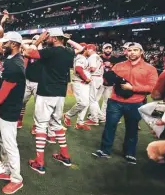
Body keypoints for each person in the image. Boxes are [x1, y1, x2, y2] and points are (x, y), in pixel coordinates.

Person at [22, 29, 84, 174]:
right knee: (56, 124)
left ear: (55, 39)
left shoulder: (50, 51)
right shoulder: (69, 52)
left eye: (49, 37)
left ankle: (39, 162)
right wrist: (66, 39)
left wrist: (39, 40)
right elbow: (80, 49)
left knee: (41, 125)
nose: (47, 39)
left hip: (46, 92)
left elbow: (28, 53)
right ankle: (65, 155)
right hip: (60, 94)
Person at [92, 43, 158, 164]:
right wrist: (108, 77)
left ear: (141, 52)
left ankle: (129, 153)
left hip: (135, 103)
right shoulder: (118, 66)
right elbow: (108, 79)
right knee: (109, 127)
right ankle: (104, 150)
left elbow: (152, 88)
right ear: (126, 52)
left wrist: (132, 88)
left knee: (132, 129)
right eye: (130, 50)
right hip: (115, 101)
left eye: (135, 50)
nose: (132, 52)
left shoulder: (150, 69)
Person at [0, 31, 26, 194]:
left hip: (9, 109)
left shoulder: (15, 65)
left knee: (10, 144)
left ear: (15, 45)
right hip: (3, 108)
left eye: (6, 43)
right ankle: (7, 170)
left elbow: (4, 92)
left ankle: (17, 179)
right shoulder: (8, 59)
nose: (2, 45)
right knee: (2, 141)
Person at [63, 44, 92, 130]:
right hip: (79, 83)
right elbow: (78, 69)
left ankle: (80, 123)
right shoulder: (80, 57)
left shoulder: (83, 58)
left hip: (83, 83)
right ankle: (68, 115)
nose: (90, 51)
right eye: (88, 49)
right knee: (83, 103)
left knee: (86, 103)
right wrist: (86, 78)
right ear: (85, 49)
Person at [98, 43, 120, 122]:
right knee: (95, 100)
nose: (108, 50)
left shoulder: (115, 59)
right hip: (99, 83)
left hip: (110, 84)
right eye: (106, 48)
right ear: (103, 49)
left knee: (106, 101)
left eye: (109, 48)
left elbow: (116, 71)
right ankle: (94, 114)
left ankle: (103, 116)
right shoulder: (98, 58)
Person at [84, 44, 104, 126]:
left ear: (91, 49)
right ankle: (102, 117)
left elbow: (93, 68)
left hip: (94, 78)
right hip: (99, 78)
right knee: (94, 100)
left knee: (92, 100)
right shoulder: (98, 57)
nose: (86, 51)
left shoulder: (92, 57)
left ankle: (94, 119)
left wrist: (84, 69)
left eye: (87, 49)